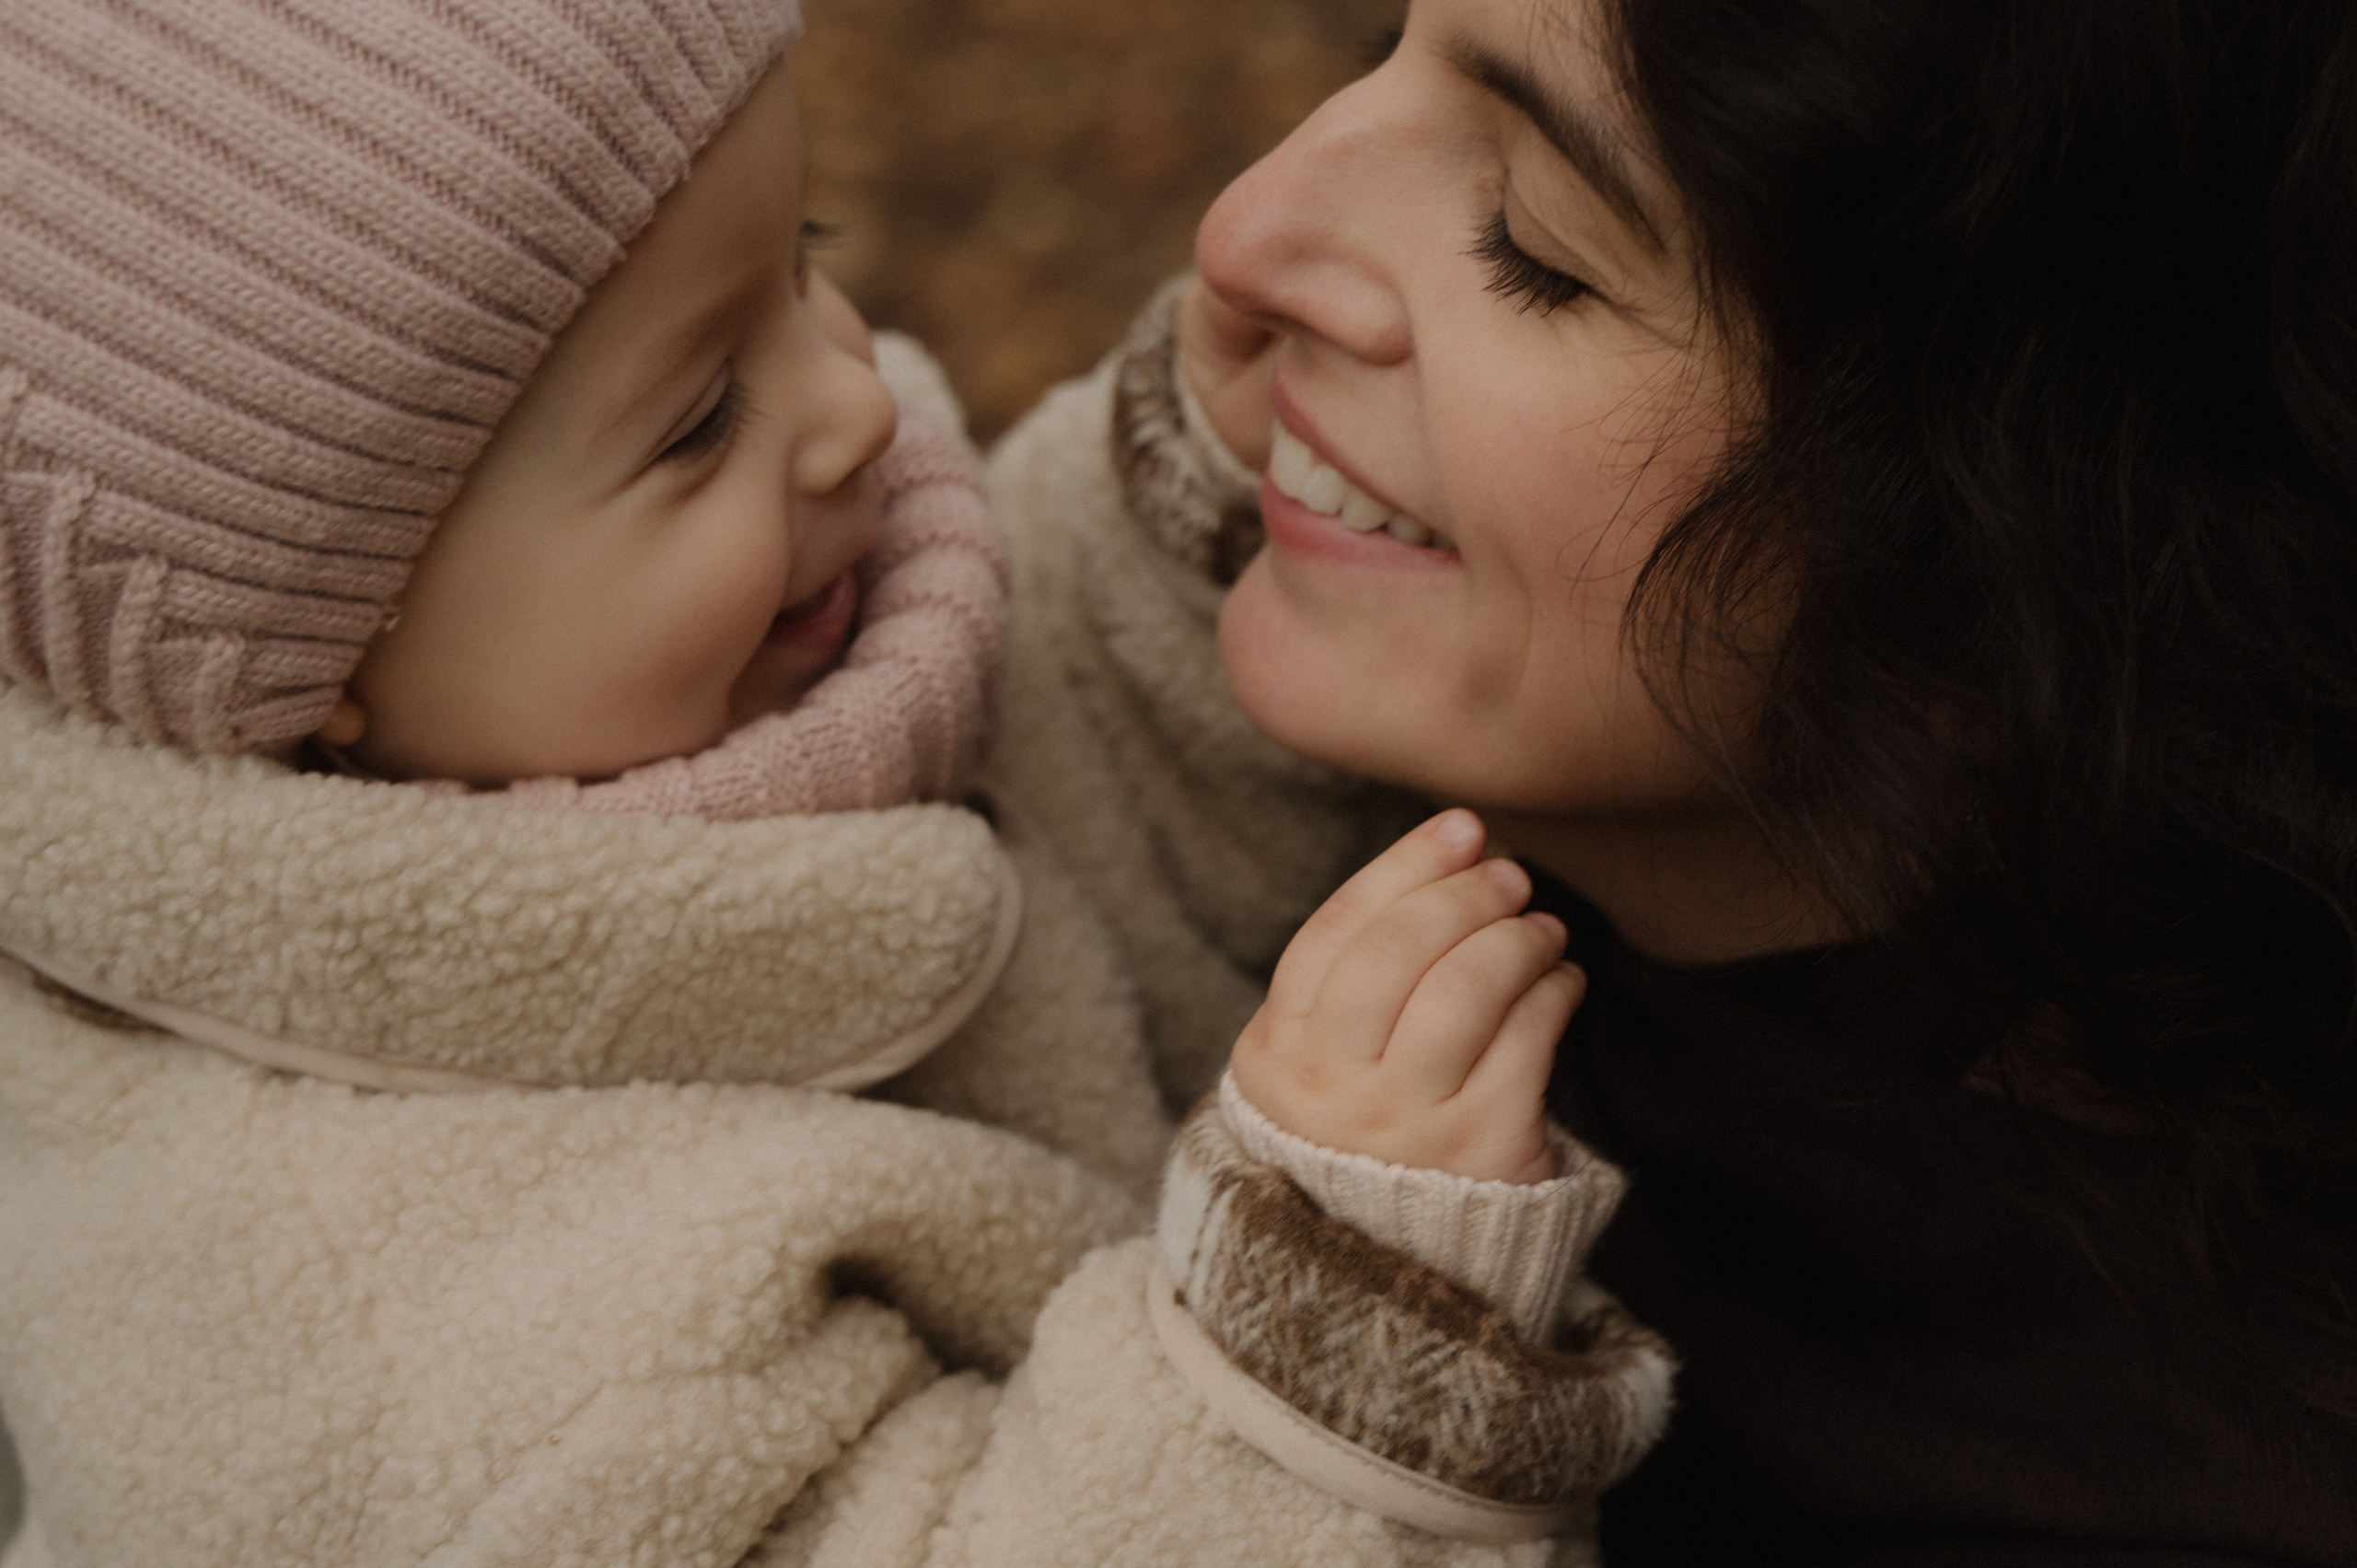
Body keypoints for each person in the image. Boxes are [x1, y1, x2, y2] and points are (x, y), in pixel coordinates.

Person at [0, 2, 1675, 1563]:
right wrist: (1323, 1370)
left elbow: (1050, 770)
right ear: (323, 663)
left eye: (799, 264)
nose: (855, 402)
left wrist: (1212, 541)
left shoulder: (695, 674)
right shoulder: (399, 1366)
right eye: (696, 418)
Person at [993, 0, 2357, 1560]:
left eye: (1532, 246)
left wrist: (1335, 1407)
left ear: (2014, 558)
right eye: (1377, 49)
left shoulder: (2055, 1467)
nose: (1244, 231)